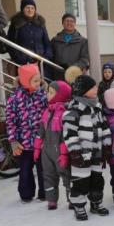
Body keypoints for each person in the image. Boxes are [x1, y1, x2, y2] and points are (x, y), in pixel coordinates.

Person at [63, 75, 112, 221]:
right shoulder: (74, 110)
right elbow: (69, 133)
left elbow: (104, 127)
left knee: (97, 179)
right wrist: (75, 152)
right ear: (83, 91)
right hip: (81, 154)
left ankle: (96, 202)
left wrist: (107, 145)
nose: (96, 89)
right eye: (92, 87)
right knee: (81, 181)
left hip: (97, 153)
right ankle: (78, 205)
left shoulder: (97, 107)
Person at [5, 64, 47, 202]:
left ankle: (45, 192)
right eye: (35, 80)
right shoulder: (14, 99)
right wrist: (13, 141)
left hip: (41, 140)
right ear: (25, 81)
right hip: (23, 142)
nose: (38, 83)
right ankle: (26, 194)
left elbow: (49, 113)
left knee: (44, 169)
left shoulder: (42, 96)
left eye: (39, 80)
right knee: (25, 170)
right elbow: (10, 121)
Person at [33, 80, 72, 210]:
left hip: (59, 150)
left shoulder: (64, 113)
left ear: (60, 95)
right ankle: (51, 200)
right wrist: (37, 148)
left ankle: (72, 199)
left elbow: (66, 135)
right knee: (48, 175)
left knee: (66, 175)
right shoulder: (47, 111)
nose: (47, 95)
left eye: (51, 92)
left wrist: (64, 153)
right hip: (46, 150)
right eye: (48, 92)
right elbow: (41, 131)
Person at [7, 0, 52, 65]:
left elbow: (47, 43)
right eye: (27, 7)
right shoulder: (16, 23)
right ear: (22, 9)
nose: (30, 10)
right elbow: (11, 44)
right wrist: (19, 59)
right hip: (22, 63)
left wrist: (46, 57)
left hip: (41, 63)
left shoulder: (40, 23)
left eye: (32, 8)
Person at [50, 13, 89, 80]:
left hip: (74, 76)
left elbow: (84, 59)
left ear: (75, 24)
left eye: (72, 21)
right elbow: (51, 57)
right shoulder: (55, 40)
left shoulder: (83, 41)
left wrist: (72, 68)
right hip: (58, 75)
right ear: (63, 23)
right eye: (67, 21)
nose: (69, 23)